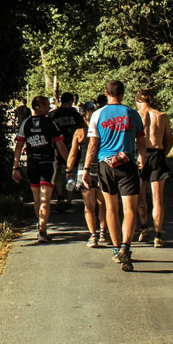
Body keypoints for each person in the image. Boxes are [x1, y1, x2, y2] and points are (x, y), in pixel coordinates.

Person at [84, 80, 144, 271]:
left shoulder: (97, 114)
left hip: (105, 165)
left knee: (111, 208)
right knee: (130, 209)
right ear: (123, 93)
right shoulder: (133, 114)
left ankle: (117, 248)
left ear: (106, 92)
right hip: (127, 164)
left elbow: (93, 144)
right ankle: (126, 246)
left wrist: (86, 169)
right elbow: (142, 141)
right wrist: (141, 158)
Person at [12, 95, 66, 241]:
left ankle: (41, 227)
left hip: (32, 164)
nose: (49, 107)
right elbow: (60, 144)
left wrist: (15, 166)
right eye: (46, 105)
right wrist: (68, 162)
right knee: (45, 200)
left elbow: (18, 146)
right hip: (47, 163)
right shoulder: (50, 123)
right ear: (38, 107)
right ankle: (42, 230)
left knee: (38, 200)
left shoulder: (26, 123)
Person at [134, 90, 173, 247]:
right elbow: (169, 140)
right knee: (157, 199)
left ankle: (144, 229)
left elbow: (133, 138)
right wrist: (162, 154)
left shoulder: (136, 115)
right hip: (157, 154)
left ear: (138, 101)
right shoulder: (162, 116)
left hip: (140, 155)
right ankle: (158, 235)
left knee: (140, 196)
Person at [66, 98, 104, 247]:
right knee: (103, 203)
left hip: (84, 169)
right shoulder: (104, 130)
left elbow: (73, 153)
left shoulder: (80, 132)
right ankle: (103, 232)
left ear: (84, 116)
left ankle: (93, 235)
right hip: (101, 167)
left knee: (89, 205)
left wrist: (69, 170)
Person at [50, 93, 86, 213]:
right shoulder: (75, 114)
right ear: (71, 101)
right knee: (71, 172)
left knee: (58, 171)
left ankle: (60, 197)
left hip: (57, 147)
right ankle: (69, 201)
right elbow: (83, 129)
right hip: (72, 147)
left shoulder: (54, 114)